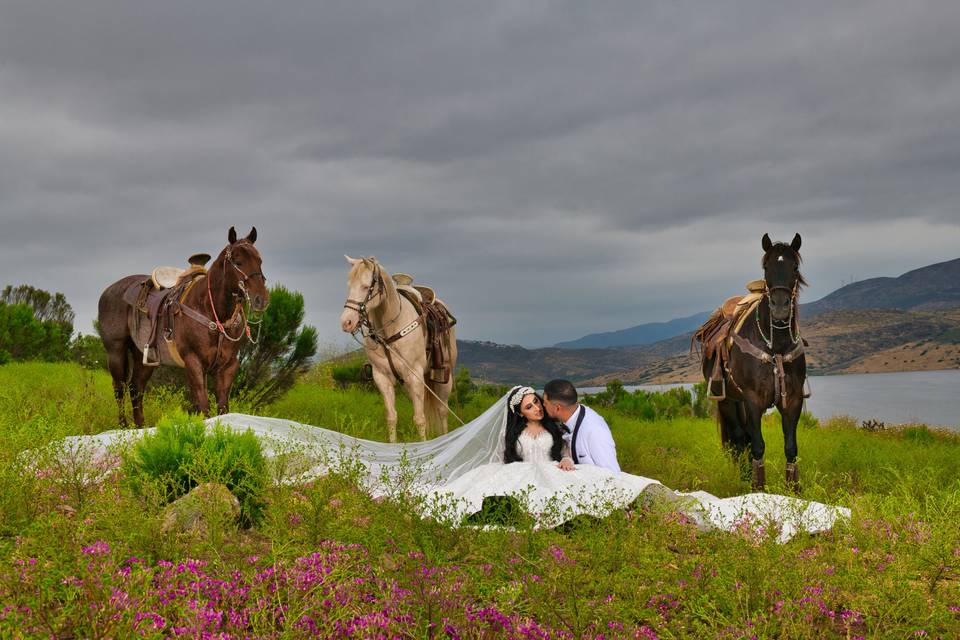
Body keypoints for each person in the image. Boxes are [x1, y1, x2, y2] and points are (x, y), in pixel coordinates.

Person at [542, 379, 620, 473]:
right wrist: (567, 458)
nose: (543, 405)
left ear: (557, 408)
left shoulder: (595, 431)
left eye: (545, 403)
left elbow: (612, 473)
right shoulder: (571, 415)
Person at [503, 385, 575, 471]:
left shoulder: (556, 426)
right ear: (520, 413)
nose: (537, 408)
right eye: (529, 407)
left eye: (536, 401)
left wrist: (566, 460)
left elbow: (566, 453)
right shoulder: (513, 433)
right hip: (522, 474)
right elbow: (506, 457)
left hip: (552, 472)